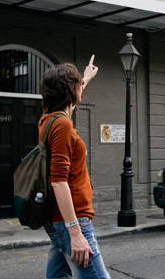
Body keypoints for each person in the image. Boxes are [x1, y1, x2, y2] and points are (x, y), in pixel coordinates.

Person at [39, 57, 110, 279]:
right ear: (71, 91)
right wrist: (75, 233)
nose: (81, 88)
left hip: (59, 219)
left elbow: (69, 105)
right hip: (71, 220)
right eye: (78, 85)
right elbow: (58, 181)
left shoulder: (49, 119)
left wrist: (86, 77)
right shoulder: (62, 125)